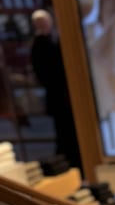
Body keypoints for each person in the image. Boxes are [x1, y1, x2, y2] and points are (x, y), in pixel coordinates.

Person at [30, 9, 82, 172]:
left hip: (66, 95)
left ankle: (74, 161)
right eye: (40, 23)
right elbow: (43, 72)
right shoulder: (40, 44)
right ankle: (69, 162)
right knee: (64, 132)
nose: (44, 25)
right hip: (58, 97)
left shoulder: (54, 39)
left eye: (45, 21)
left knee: (71, 132)